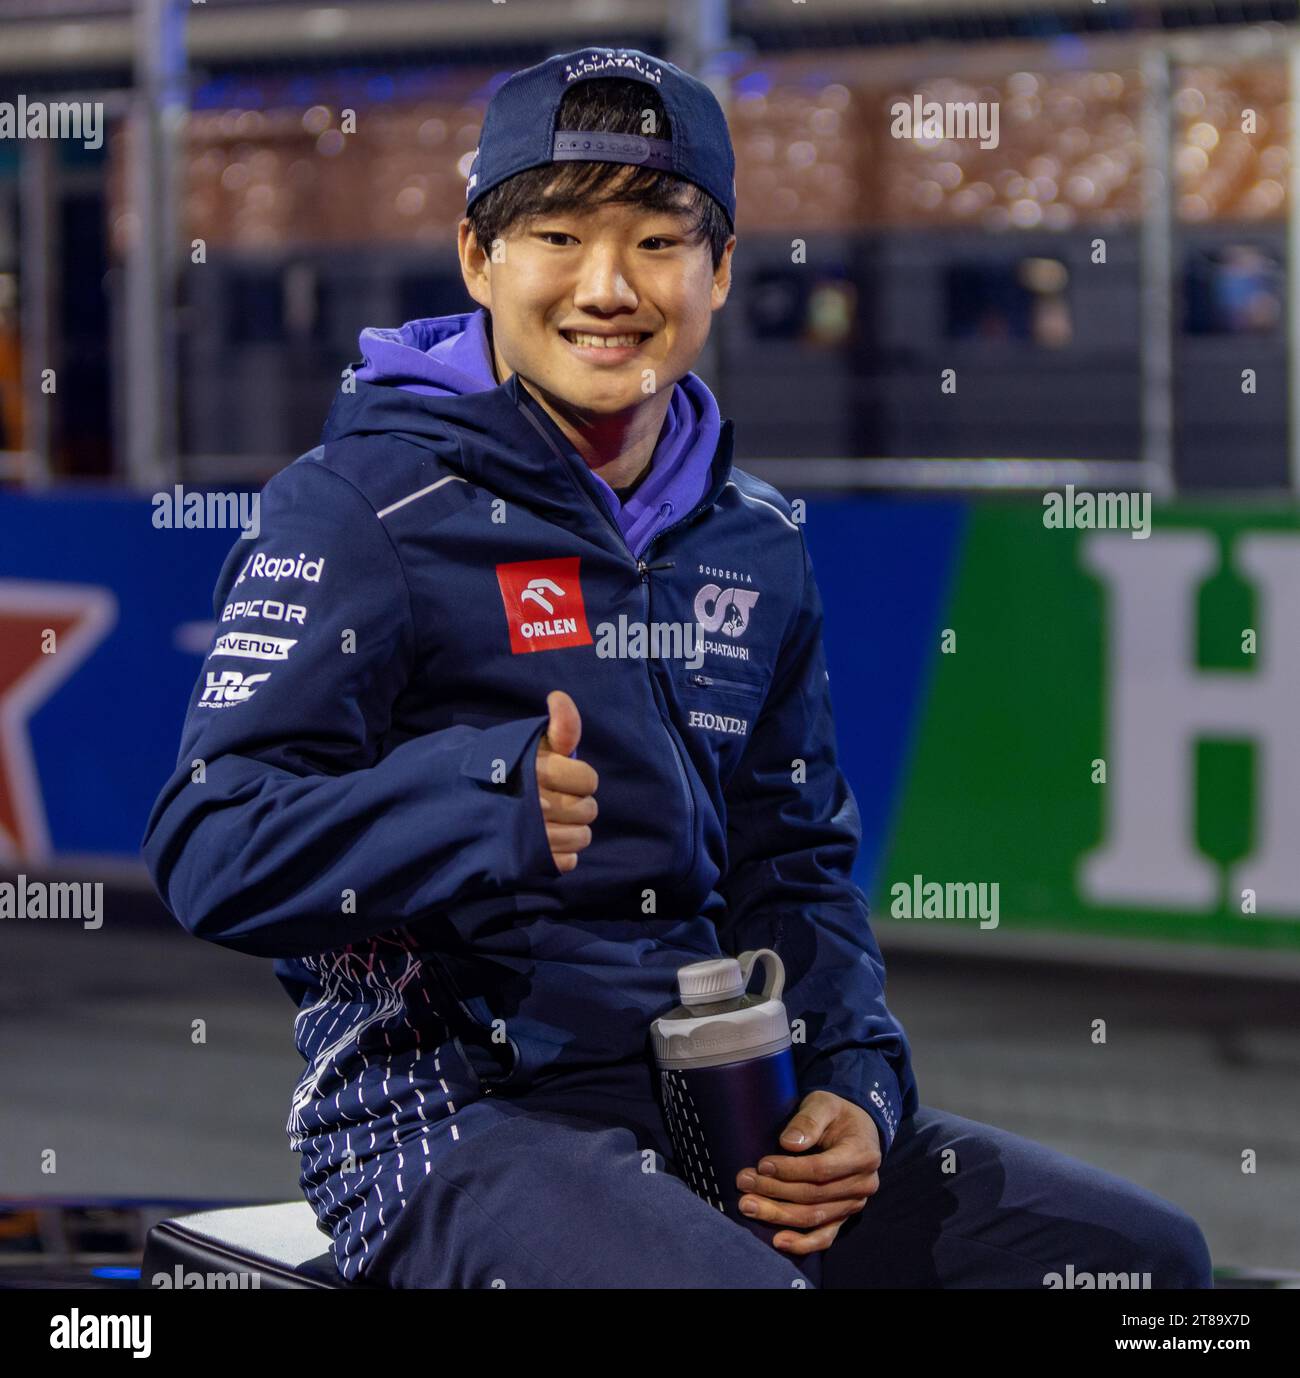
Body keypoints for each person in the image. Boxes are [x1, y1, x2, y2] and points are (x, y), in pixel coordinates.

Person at [142, 45, 1212, 1289]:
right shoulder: (360, 506)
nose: (608, 287)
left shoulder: (753, 535)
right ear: (479, 260)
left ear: (717, 271)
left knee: (1138, 1264)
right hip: (444, 1122)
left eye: (658, 240)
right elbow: (210, 846)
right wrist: (476, 800)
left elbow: (791, 861)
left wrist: (857, 1084)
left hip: (725, 1101)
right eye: (555, 236)